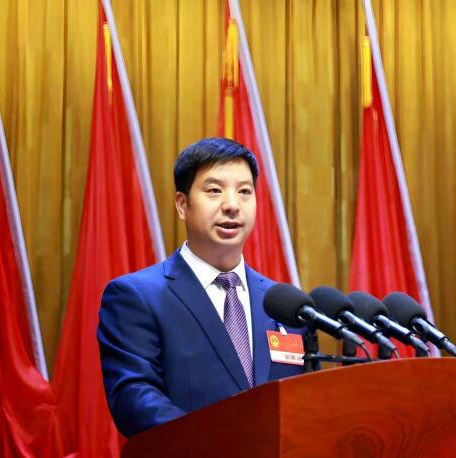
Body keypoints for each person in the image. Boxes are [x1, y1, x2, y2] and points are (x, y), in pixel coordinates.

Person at [97, 138, 303, 437]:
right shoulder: (137, 297)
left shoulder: (284, 306)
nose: (232, 205)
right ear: (182, 205)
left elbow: (304, 401)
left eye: (245, 191)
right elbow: (134, 399)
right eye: (215, 190)